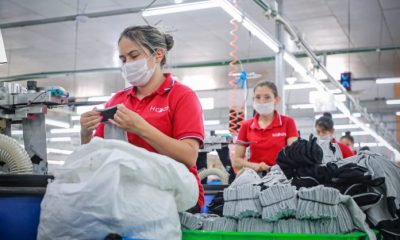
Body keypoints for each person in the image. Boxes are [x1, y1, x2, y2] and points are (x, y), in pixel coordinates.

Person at [79, 25, 205, 213]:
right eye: (123, 59)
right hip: (127, 195)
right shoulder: (117, 100)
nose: (127, 63)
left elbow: (188, 156)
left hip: (176, 195)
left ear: (158, 54)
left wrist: (140, 127)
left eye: (134, 56)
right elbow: (95, 159)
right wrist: (86, 134)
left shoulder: (182, 96)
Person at [233, 81, 299, 172]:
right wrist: (255, 166)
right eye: (258, 97)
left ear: (277, 99)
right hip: (255, 177)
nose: (262, 101)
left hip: (282, 177)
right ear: (253, 99)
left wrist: (275, 168)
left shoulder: (288, 122)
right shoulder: (246, 126)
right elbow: (236, 161)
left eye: (267, 97)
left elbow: (294, 155)